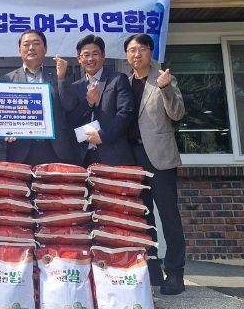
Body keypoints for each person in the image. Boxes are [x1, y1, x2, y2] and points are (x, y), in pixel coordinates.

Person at [124, 33, 187, 295]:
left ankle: (175, 273)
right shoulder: (124, 83)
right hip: (132, 157)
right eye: (131, 50)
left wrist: (165, 88)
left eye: (141, 49)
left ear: (150, 52)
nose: (136, 54)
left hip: (159, 156)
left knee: (168, 215)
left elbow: (178, 114)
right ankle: (151, 270)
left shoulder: (163, 79)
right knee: (143, 216)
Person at [1, 29, 79, 166]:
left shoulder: (59, 75)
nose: (31, 48)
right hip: (21, 151)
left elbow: (69, 105)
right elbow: (1, 115)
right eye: (26, 44)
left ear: (45, 49)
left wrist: (61, 78)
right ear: (19, 50)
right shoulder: (7, 79)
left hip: (55, 150)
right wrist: (5, 131)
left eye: (36, 43)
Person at [67, 34, 135, 167]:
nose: (90, 59)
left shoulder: (118, 79)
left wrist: (103, 135)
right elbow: (71, 119)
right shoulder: (75, 87)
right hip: (83, 157)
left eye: (95, 54)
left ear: (103, 56)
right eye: (86, 55)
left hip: (112, 154)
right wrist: (88, 103)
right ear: (79, 59)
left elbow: (126, 112)